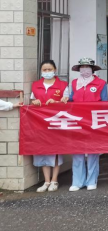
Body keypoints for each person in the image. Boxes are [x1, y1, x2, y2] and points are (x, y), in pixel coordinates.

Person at [66, 58, 107, 191]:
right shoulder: (74, 83)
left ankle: (91, 180)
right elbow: (72, 98)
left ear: (92, 69)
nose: (84, 69)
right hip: (77, 120)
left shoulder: (101, 83)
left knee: (92, 151)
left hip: (93, 120)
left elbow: (105, 103)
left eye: (87, 67)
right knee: (77, 151)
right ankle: (77, 181)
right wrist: (65, 99)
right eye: (82, 67)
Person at [29, 60, 69, 192]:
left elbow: (67, 102)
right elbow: (32, 100)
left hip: (56, 122)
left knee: (55, 150)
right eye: (44, 70)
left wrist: (57, 102)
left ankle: (54, 180)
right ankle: (46, 181)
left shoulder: (63, 85)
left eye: (49, 69)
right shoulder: (36, 85)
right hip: (40, 123)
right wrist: (34, 102)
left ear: (55, 70)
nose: (47, 72)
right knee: (42, 150)